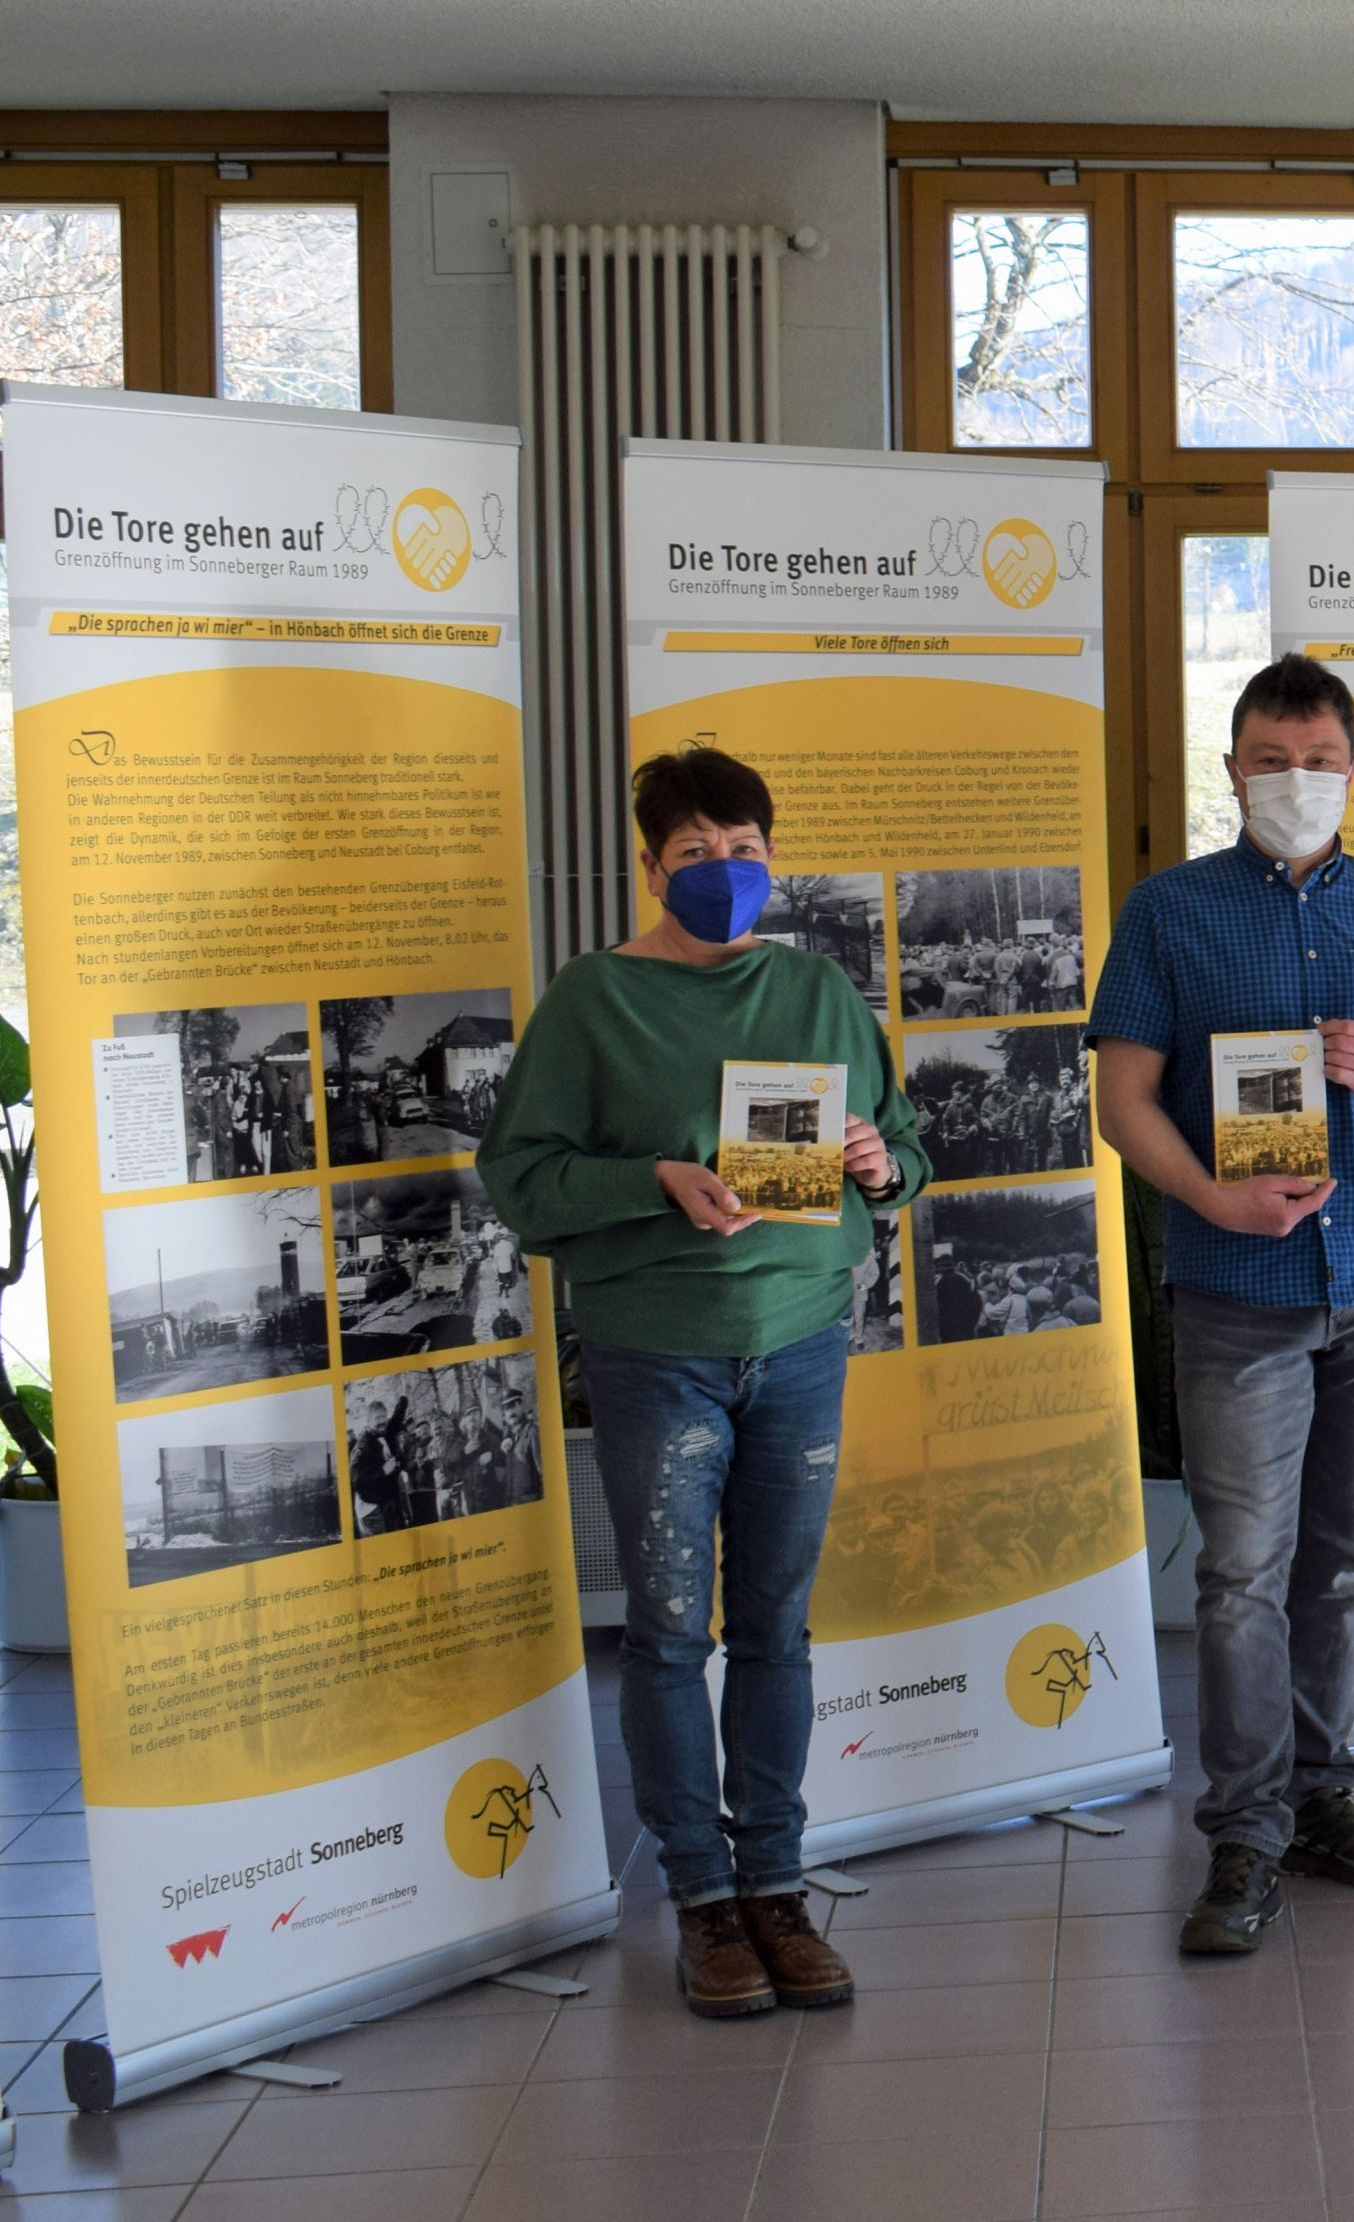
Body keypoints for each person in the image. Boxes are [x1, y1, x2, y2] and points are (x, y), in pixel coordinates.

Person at [479, 746, 925, 2020]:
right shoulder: (592, 1002)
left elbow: (904, 1147)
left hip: (799, 1341)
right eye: (694, 855)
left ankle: (777, 1884)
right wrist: (655, 1180)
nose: (724, 874)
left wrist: (877, 1163)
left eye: (744, 850)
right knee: (672, 1632)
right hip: (655, 1350)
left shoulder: (817, 987)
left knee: (774, 1625)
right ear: (648, 864)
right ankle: (702, 1902)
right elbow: (523, 1176)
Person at [1090, 655, 1354, 1955]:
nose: (1296, 781)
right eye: (1271, 760)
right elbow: (1122, 1100)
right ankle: (1245, 1834)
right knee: (1238, 1578)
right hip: (1237, 1289)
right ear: (1232, 771)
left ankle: (1323, 1800)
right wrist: (1210, 1199)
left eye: (1319, 758)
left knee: (1343, 1565)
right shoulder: (1170, 913)